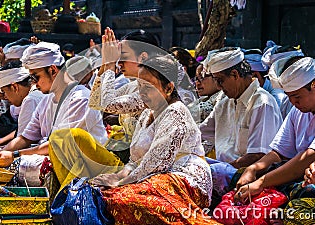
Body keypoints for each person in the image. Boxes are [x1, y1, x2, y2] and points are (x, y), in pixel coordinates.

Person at [87, 55, 218, 224]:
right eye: (139, 86)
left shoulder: (176, 112)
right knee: (100, 191)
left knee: (122, 198)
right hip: (152, 174)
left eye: (148, 87)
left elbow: (155, 164)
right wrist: (118, 177)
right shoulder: (146, 114)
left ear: (169, 88)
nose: (141, 93)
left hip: (185, 179)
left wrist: (120, 182)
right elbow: (135, 162)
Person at [0, 42, 107, 169]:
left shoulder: (80, 99)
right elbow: (25, 138)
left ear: (52, 70)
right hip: (59, 160)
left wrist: (14, 156)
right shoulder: (46, 100)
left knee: (20, 166)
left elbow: (58, 146)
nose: (33, 83)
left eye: (35, 77)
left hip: (84, 166)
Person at [234, 56, 315, 208]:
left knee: (308, 193)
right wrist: (253, 169)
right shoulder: (298, 110)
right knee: (243, 176)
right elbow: (279, 152)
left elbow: (312, 156)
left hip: (314, 181)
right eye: (289, 97)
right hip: (298, 175)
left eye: (296, 97)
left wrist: (261, 182)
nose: (293, 103)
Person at [199, 47, 282, 167]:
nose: (218, 87)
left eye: (220, 80)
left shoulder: (262, 103)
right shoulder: (224, 104)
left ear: (235, 75)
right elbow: (200, 132)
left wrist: (224, 170)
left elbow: (258, 156)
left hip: (248, 176)